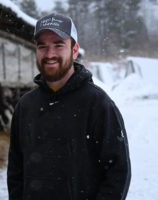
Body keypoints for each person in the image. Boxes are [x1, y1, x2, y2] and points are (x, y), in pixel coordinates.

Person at [7, 13, 131, 200]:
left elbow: (118, 172)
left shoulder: (97, 104)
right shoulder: (26, 106)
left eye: (58, 45)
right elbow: (16, 171)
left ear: (74, 50)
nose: (50, 54)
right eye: (43, 46)